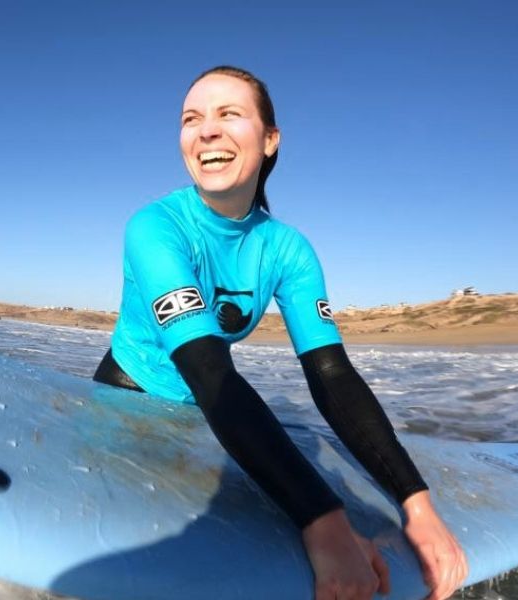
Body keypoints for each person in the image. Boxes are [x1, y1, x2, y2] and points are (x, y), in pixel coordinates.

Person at [93, 66, 468, 600]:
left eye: (229, 114)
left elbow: (332, 375)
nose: (206, 131)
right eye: (191, 119)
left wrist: (417, 505)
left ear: (270, 140)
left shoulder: (288, 249)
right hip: (124, 400)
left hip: (206, 416)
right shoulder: (155, 227)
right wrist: (325, 520)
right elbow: (205, 365)